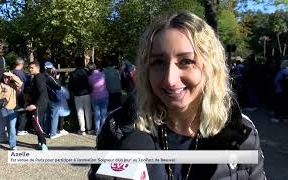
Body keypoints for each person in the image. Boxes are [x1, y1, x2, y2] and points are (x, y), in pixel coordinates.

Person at [90, 11, 265, 179]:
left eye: (186, 61)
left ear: (211, 67)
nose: (170, 80)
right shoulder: (118, 127)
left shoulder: (241, 132)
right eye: (158, 62)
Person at [0, 72, 22, 150]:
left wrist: (13, 76)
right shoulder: (0, 85)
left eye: (8, 77)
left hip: (13, 109)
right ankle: (5, 138)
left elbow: (20, 83)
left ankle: (13, 145)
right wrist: (3, 94)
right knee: (6, 126)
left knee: (12, 127)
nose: (7, 79)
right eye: (5, 77)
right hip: (4, 109)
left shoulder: (14, 85)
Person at [26, 61, 49, 151]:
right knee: (39, 123)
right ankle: (40, 142)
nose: (30, 69)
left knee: (36, 123)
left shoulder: (38, 77)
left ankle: (43, 144)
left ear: (37, 68)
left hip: (39, 104)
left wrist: (36, 105)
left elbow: (42, 92)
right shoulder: (38, 77)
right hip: (41, 103)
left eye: (32, 67)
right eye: (29, 67)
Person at [69, 56, 92, 135]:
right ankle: (89, 129)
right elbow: (90, 82)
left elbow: (70, 85)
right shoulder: (86, 72)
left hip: (77, 95)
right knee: (88, 112)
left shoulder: (73, 73)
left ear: (75, 64)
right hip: (86, 94)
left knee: (80, 112)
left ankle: (82, 130)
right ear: (83, 63)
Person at [88, 62, 109, 133]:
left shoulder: (90, 78)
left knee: (97, 114)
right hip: (104, 96)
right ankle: (103, 130)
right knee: (104, 114)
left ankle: (97, 130)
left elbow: (90, 87)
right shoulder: (103, 74)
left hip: (95, 97)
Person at [12, 57, 29, 136]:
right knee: (23, 112)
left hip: (13, 95)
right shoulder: (20, 73)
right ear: (21, 64)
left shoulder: (11, 72)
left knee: (15, 112)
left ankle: (14, 128)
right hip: (21, 94)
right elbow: (26, 82)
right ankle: (20, 129)